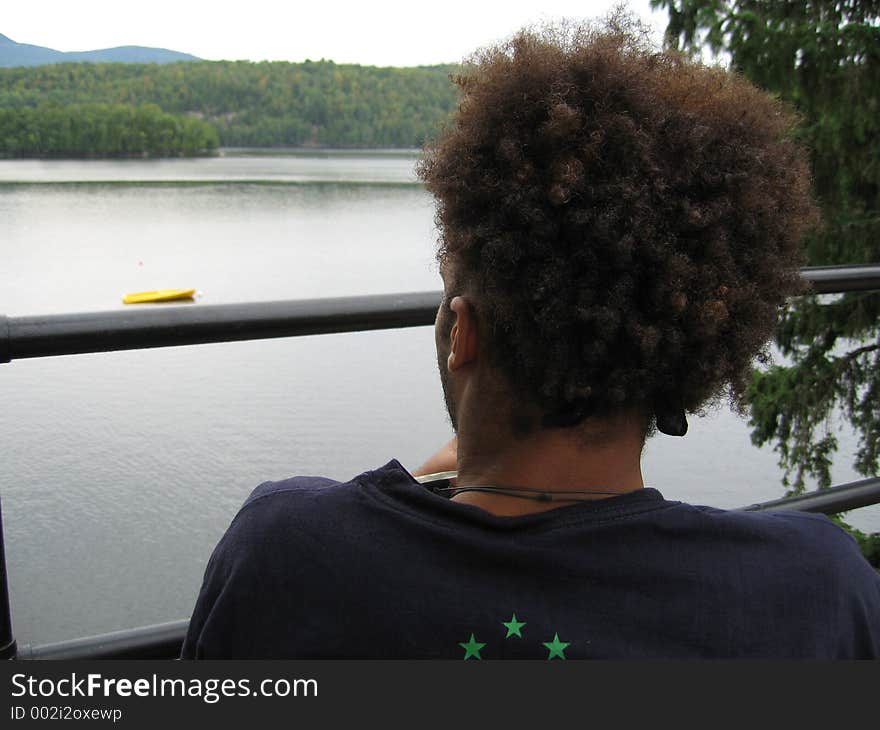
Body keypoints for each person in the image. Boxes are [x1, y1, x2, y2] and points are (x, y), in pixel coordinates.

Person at [181, 16, 880, 659]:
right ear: (683, 349)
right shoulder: (815, 591)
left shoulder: (290, 550)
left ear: (465, 334)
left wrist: (438, 486)